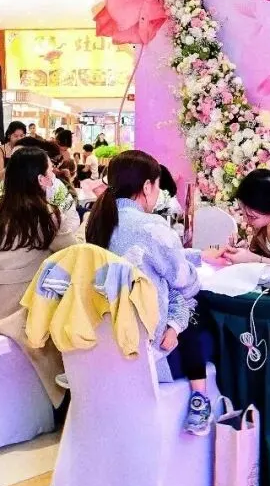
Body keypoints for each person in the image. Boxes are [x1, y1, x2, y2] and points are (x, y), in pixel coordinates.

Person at [84, 149, 211, 435]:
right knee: (196, 310)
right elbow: (184, 281)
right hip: (150, 350)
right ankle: (200, 396)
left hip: (105, 342)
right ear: (147, 186)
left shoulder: (98, 222)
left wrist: (193, 257)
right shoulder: (152, 226)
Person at [0, 144, 79, 406]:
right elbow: (72, 253)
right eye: (49, 172)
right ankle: (67, 391)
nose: (53, 176)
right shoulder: (45, 215)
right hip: (19, 313)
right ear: (40, 179)